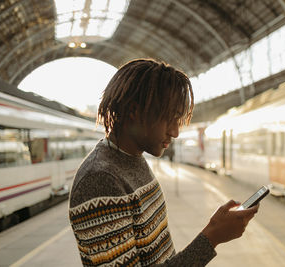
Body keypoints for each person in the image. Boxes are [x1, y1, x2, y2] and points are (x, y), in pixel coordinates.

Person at [68, 59, 259, 266]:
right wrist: (212, 236)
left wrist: (214, 229)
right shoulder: (101, 179)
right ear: (134, 111)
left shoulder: (131, 159)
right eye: (170, 119)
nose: (175, 132)